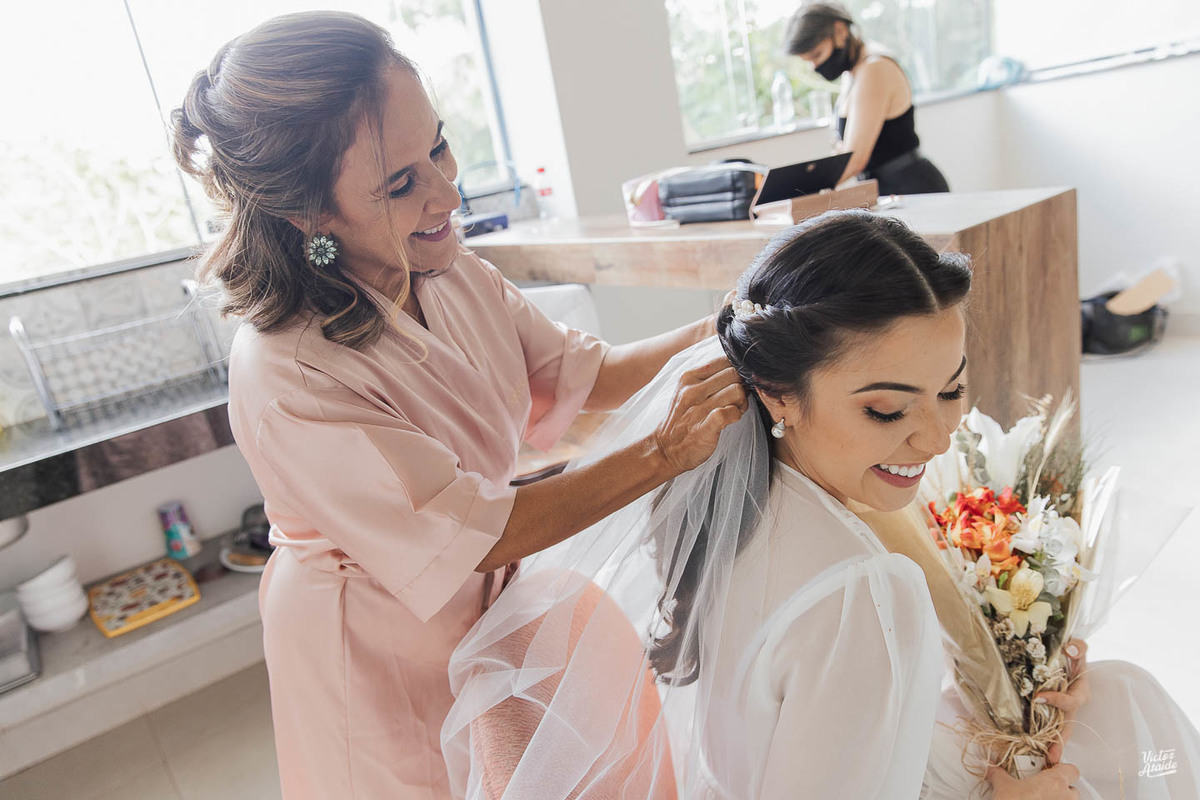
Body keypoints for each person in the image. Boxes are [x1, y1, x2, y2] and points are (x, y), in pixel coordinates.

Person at [169, 12, 747, 799]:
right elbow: (475, 531)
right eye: (400, 182)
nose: (447, 191)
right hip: (375, 641)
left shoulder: (450, 273)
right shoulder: (290, 373)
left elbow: (592, 372)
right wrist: (658, 457)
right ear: (308, 214)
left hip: (489, 605)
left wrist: (736, 322)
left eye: (437, 145)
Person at [445, 211, 1200, 799]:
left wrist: (1005, 696)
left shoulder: (740, 490)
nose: (937, 438)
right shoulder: (861, 593)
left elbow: (813, 720)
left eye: (952, 390)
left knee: (1121, 700)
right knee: (1145, 735)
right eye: (886, 411)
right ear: (778, 392)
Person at [785, 2, 951, 196]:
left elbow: (855, 159)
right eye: (809, 62)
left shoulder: (874, 69)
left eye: (817, 55)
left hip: (913, 190)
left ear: (840, 31)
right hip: (888, 192)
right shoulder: (852, 73)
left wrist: (800, 191)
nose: (815, 67)